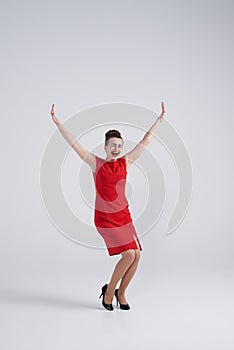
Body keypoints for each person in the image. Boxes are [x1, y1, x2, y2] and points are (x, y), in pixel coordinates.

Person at [50, 102, 166, 311]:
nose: (116, 149)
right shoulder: (96, 164)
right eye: (112, 145)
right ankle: (109, 291)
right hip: (105, 219)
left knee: (137, 255)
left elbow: (146, 140)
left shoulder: (126, 162)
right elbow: (74, 143)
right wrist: (58, 122)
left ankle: (121, 293)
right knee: (128, 255)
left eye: (119, 146)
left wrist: (160, 118)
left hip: (124, 216)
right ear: (105, 146)